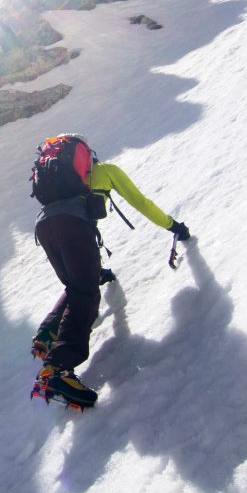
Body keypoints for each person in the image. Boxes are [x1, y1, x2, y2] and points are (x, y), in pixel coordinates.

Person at [31, 134, 190, 408]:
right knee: (85, 293)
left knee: (78, 287)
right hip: (73, 226)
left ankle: (47, 333)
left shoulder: (58, 182)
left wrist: (95, 271)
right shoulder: (105, 172)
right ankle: (56, 369)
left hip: (45, 227)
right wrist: (173, 226)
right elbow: (141, 203)